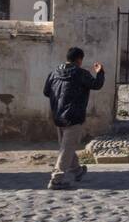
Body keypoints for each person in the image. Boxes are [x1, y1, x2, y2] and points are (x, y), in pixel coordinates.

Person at [42, 47, 105, 190]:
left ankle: (77, 171)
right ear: (79, 60)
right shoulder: (81, 74)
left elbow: (46, 92)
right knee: (66, 148)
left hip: (58, 115)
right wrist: (100, 72)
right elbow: (97, 85)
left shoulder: (54, 73)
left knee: (66, 147)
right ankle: (56, 179)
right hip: (74, 116)